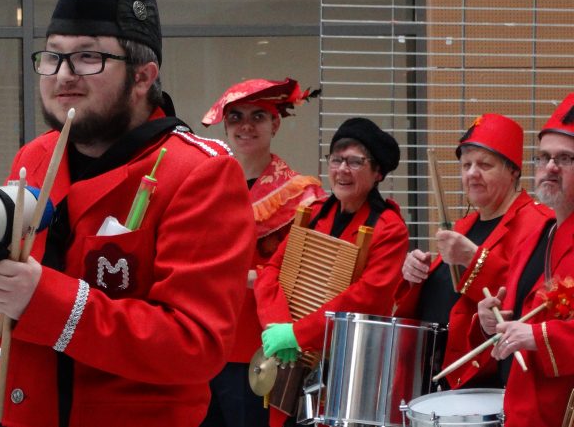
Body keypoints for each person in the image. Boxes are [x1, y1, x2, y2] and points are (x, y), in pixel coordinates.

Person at [0, 0, 256, 427]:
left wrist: (40, 300)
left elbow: (195, 346)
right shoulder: (35, 157)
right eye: (52, 55)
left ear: (143, 76)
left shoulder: (199, 172)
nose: (62, 74)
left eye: (88, 57)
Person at [254, 117, 410, 427]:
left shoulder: (389, 229)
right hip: (291, 362)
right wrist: (279, 326)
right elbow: (271, 270)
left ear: (378, 172)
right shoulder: (312, 214)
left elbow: (366, 297)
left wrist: (297, 334)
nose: (342, 169)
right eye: (336, 159)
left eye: (355, 162)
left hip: (349, 369)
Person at [198, 78, 325, 427]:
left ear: (275, 124)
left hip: (262, 342)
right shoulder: (204, 188)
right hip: (204, 338)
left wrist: (254, 277)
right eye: (236, 117)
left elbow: (309, 274)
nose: (246, 126)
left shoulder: (301, 196)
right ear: (225, 126)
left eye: (258, 116)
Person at [394, 113, 553, 390]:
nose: (471, 173)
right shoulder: (466, 224)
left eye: (484, 165)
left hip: (484, 380)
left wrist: (474, 258)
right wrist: (414, 274)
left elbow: (527, 299)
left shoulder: (538, 223)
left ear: (513, 170)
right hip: (435, 375)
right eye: (466, 165)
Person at [475, 93, 574, 427]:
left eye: (565, 159)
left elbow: (535, 330)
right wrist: (496, 320)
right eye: (543, 157)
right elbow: (520, 315)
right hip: (523, 407)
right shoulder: (536, 233)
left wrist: (537, 336)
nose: (550, 167)